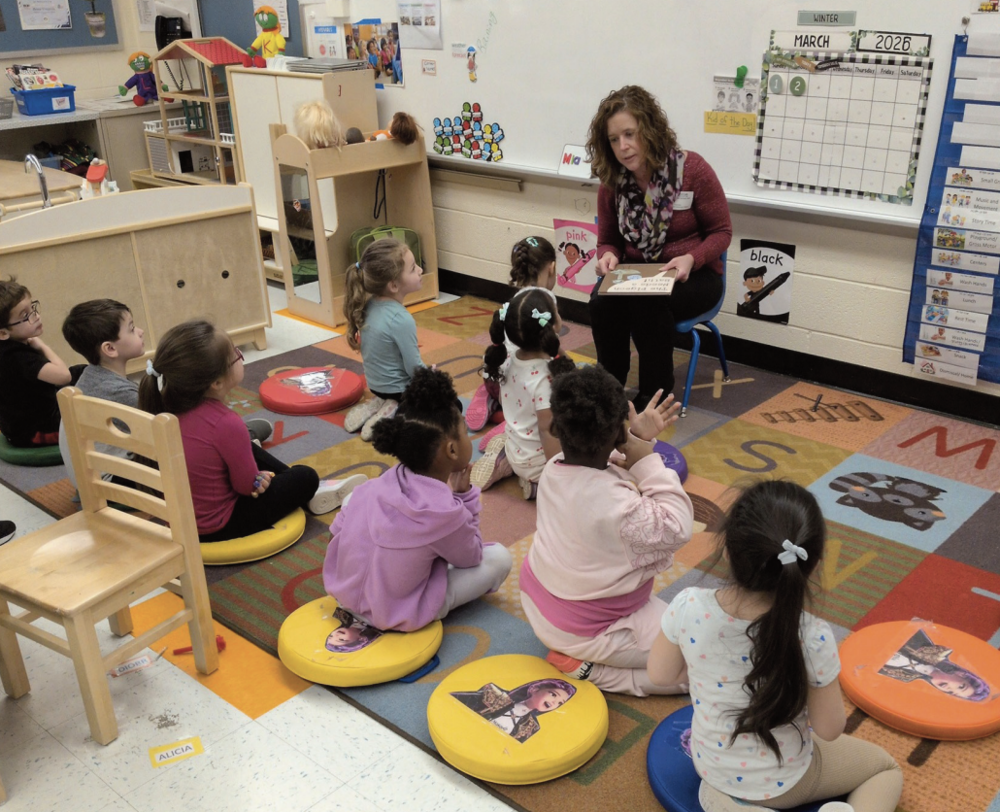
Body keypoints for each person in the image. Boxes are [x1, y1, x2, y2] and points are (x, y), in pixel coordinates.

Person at [649, 480, 903, 812]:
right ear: (810, 565)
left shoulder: (688, 604)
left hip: (711, 765)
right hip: (788, 780)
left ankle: (728, 803)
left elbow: (660, 674)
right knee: (885, 768)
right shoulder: (812, 635)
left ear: (726, 549)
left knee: (721, 787)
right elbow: (829, 729)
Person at [521, 365, 692, 697]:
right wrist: (648, 460)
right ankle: (593, 671)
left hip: (540, 600)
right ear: (617, 434)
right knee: (696, 662)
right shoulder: (619, 507)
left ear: (557, 427)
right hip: (589, 630)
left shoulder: (554, 468)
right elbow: (678, 526)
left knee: (686, 632)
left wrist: (639, 440)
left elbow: (602, 461)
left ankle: (587, 655)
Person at [323, 367, 512, 632]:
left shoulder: (371, 487)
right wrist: (464, 498)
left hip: (342, 596)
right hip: (396, 613)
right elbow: (471, 557)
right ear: (452, 449)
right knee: (500, 558)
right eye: (465, 432)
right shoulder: (445, 513)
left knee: (355, 504)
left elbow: (334, 538)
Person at [138, 320, 357, 541]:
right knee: (305, 477)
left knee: (245, 446)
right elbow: (245, 487)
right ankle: (313, 488)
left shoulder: (165, 406)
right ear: (216, 382)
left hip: (180, 518)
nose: (240, 355)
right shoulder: (225, 423)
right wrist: (257, 479)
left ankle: (288, 476)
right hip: (217, 525)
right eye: (235, 354)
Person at [586, 85, 732, 413]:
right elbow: (608, 239)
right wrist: (606, 255)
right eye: (613, 139)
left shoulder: (691, 170)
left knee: (647, 304)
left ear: (649, 130)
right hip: (638, 274)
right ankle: (609, 389)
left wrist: (692, 257)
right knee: (600, 302)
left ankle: (655, 398)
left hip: (695, 275)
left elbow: (722, 232)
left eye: (630, 134)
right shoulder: (612, 180)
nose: (623, 147)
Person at [59, 300, 272, 486]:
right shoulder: (123, 394)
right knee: (217, 448)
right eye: (132, 329)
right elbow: (175, 435)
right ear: (110, 349)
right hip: (115, 480)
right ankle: (245, 441)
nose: (140, 331)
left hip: (89, 475)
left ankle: (243, 437)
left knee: (224, 436)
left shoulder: (89, 378)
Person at [470, 288, 575, 499]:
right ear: (553, 324)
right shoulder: (545, 380)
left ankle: (504, 458)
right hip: (538, 463)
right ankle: (536, 484)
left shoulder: (507, 360)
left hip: (516, 446)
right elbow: (548, 432)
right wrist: (559, 475)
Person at [465, 236, 559, 433]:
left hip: (494, 374)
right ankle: (509, 422)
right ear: (552, 268)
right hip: (520, 386)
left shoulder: (517, 299)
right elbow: (552, 339)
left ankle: (493, 403)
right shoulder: (545, 300)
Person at [343, 239, 426, 441]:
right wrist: (430, 377)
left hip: (375, 384)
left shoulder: (369, 305)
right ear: (394, 285)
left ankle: (380, 402)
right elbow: (413, 368)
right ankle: (395, 409)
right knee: (452, 406)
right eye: (413, 268)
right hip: (400, 390)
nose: (421, 270)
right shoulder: (401, 319)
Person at [0, 278, 76, 447]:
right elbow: (64, 376)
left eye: (32, 309)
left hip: (19, 424)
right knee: (82, 395)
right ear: (3, 333)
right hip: (36, 431)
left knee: (82, 372)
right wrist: (42, 345)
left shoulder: (9, 347)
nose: (37, 317)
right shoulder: (18, 357)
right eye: (25, 316)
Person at [878, 628, 990, 701]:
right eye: (961, 687)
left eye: (952, 693)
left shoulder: (906, 677)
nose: (948, 688)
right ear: (962, 674)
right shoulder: (935, 651)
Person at [450, 678, 576, 743]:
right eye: (553, 695)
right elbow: (454, 702)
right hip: (459, 732)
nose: (555, 703)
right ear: (535, 689)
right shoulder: (493, 693)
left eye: (560, 703)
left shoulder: (532, 726)